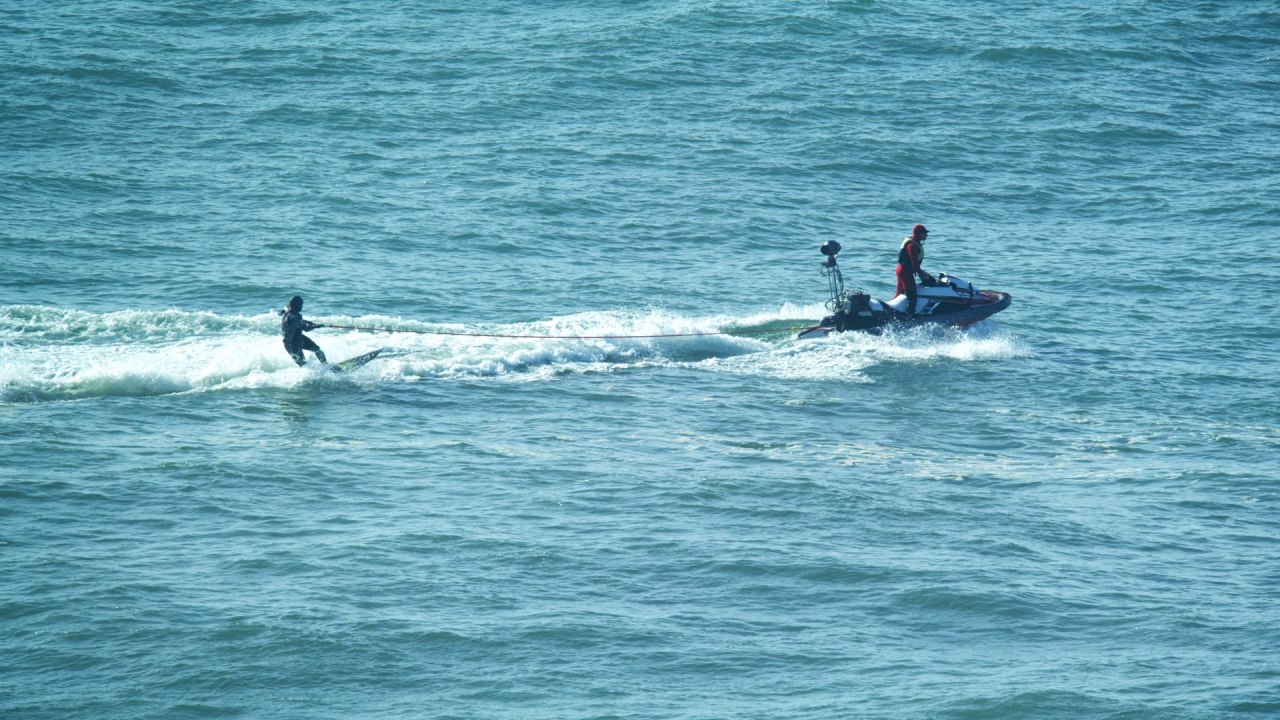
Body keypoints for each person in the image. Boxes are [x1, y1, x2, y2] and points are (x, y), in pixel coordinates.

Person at [896, 224, 936, 317]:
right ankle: (909, 319)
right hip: (905, 272)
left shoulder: (915, 243)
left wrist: (924, 274)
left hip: (902, 270)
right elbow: (914, 265)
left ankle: (895, 314)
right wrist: (924, 276)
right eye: (924, 233)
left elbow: (915, 266)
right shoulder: (912, 246)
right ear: (918, 234)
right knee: (912, 297)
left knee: (899, 294)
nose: (926, 235)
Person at [280, 295, 328, 366]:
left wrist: (306, 321)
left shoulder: (287, 310)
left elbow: (293, 321)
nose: (302, 307)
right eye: (301, 305)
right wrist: (316, 326)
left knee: (317, 349)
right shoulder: (296, 317)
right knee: (304, 365)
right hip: (292, 345)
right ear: (297, 306)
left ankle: (326, 366)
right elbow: (306, 329)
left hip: (299, 339)